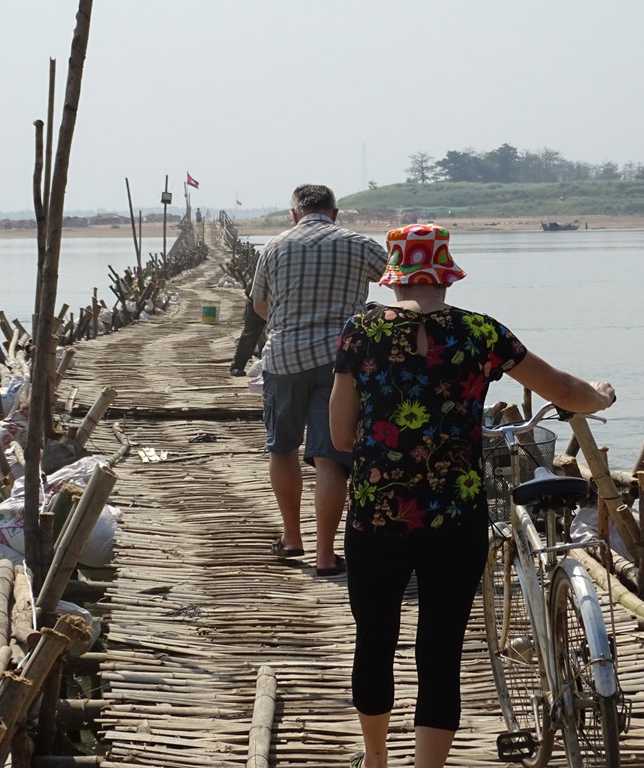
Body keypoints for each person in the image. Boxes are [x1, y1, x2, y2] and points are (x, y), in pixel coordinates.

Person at [329, 224, 616, 768]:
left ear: (392, 277)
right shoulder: (481, 334)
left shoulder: (359, 331)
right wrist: (598, 396)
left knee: (375, 641)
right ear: (446, 274)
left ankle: (375, 761)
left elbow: (341, 438)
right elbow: (562, 390)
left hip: (376, 515)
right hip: (455, 518)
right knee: (440, 653)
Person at [250, 184, 388, 576]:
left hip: (284, 358)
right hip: (339, 360)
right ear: (335, 212)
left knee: (283, 447)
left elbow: (260, 305)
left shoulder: (275, 246)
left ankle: (292, 537)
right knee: (330, 458)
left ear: (294, 213)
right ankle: (326, 556)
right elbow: (396, 277)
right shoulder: (357, 243)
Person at [229, 294, 266, 376]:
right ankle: (237, 366)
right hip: (258, 299)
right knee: (250, 334)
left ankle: (263, 363)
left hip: (279, 301)